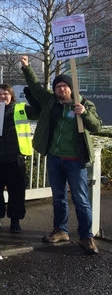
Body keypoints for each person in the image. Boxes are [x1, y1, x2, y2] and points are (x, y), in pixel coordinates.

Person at [20, 55, 102, 255]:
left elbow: (97, 126)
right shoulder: (51, 102)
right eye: (58, 87)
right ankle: (61, 230)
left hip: (75, 161)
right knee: (58, 197)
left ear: (71, 88)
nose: (61, 89)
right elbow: (36, 86)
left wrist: (84, 113)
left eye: (65, 86)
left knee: (81, 199)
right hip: (55, 159)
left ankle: (86, 236)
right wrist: (26, 68)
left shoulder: (84, 104)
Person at [0, 84, 38, 234]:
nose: (3, 97)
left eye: (6, 94)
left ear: (11, 96)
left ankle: (15, 222)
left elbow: (38, 112)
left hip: (14, 159)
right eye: (0, 94)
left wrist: (30, 93)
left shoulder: (20, 109)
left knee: (16, 193)